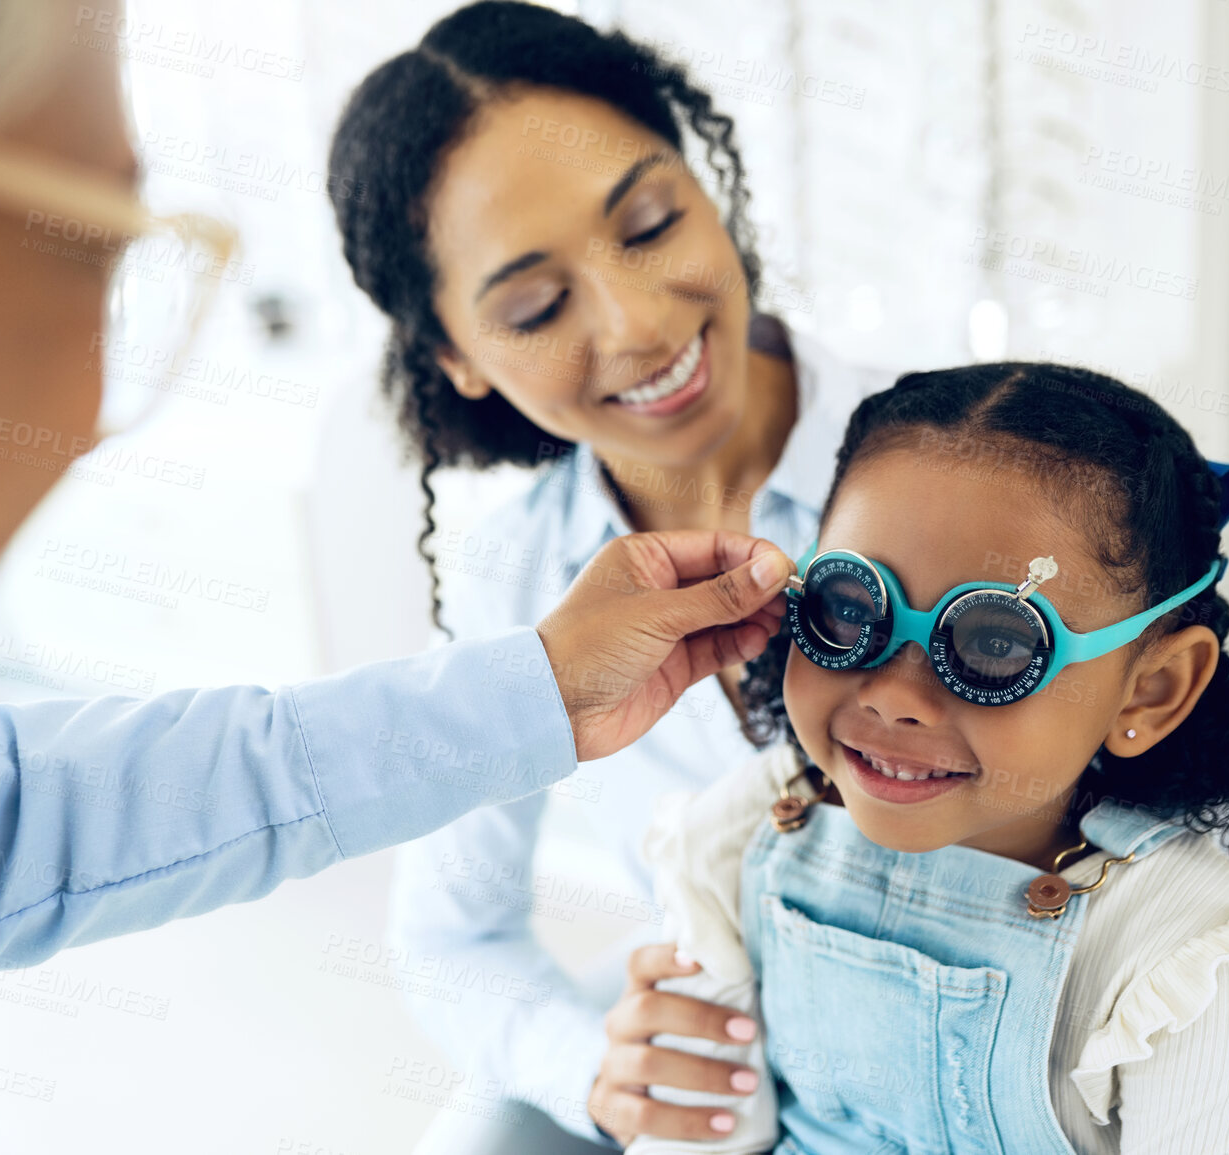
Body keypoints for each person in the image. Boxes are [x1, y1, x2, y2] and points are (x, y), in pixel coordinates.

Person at [0, 0, 796, 986]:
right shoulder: (515, 567)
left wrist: (538, 691)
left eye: (649, 224)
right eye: (91, 249)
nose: (84, 413)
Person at [326, 4, 889, 1145]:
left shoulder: (983, 461)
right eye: (535, 306)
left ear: (701, 181)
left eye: (646, 222)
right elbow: (449, 937)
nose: (635, 324)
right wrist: (592, 1065)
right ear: (455, 357)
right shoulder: (517, 580)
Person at [599, 363, 1229, 1152]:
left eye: (995, 642)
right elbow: (705, 1135)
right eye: (851, 607)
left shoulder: (1185, 963)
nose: (895, 696)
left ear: (1150, 690)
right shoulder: (743, 834)